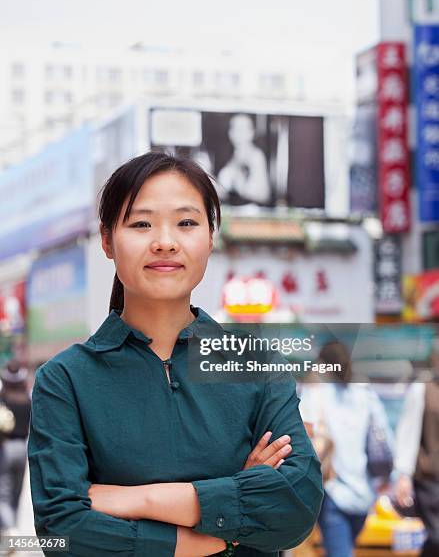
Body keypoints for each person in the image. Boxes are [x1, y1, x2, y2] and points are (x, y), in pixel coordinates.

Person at [28, 152, 323, 557]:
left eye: (186, 222)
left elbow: (296, 504)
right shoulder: (65, 380)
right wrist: (220, 523)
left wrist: (137, 500)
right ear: (107, 241)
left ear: (210, 236)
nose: (164, 241)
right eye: (141, 223)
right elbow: (60, 531)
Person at [299, 342, 393, 557]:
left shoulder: (317, 392)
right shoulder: (364, 392)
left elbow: (304, 433)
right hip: (365, 491)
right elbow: (384, 437)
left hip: (332, 488)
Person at [394, 349, 439, 557]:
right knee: (436, 535)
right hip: (430, 479)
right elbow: (408, 432)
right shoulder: (422, 388)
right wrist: (403, 475)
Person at [0, 361, 31, 537]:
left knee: (3, 492)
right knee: (16, 491)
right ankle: (13, 527)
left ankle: (9, 529)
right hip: (23, 448)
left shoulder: (3, 400)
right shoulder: (28, 400)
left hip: (4, 447)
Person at [217, 114, 271, 205]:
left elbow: (263, 195)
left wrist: (240, 183)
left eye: (243, 128)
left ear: (252, 132)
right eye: (235, 127)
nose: (238, 132)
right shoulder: (231, 156)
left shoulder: (256, 156)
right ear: (230, 133)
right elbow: (222, 191)